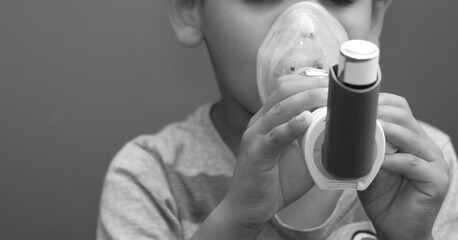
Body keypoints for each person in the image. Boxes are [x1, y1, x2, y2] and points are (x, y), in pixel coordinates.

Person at [96, 0, 458, 239]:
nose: (306, 29)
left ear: (375, 16)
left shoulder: (419, 168)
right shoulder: (151, 177)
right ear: (191, 9)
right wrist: (237, 219)